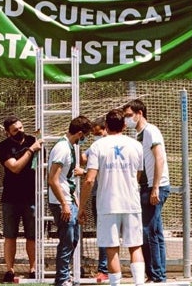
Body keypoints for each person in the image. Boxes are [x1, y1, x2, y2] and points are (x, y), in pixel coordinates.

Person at [77, 109, 146, 286]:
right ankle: (139, 283)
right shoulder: (136, 145)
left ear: (106, 126)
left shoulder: (98, 146)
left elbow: (89, 179)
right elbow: (137, 175)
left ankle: (115, 284)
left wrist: (82, 206)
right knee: (135, 246)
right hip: (131, 202)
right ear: (124, 125)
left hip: (108, 204)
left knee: (111, 248)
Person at [122, 99, 171, 283]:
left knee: (147, 231)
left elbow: (159, 159)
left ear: (139, 113)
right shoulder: (139, 135)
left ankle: (155, 275)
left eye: (129, 115)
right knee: (155, 231)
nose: (127, 120)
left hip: (155, 186)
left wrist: (156, 187)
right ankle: (158, 275)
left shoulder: (151, 131)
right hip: (147, 186)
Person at [0, 115, 43, 283]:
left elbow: (42, 165)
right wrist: (31, 150)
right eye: (15, 130)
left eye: (21, 127)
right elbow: (14, 167)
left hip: (31, 197)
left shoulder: (32, 139)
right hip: (11, 197)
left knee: (32, 236)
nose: (20, 131)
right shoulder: (3, 147)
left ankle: (33, 268)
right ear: (8, 133)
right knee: (10, 235)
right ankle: (9, 270)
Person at [48, 115, 92, 286]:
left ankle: (64, 276)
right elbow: (53, 179)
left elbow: (68, 180)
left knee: (72, 239)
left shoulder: (70, 148)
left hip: (68, 200)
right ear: (80, 133)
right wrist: (65, 204)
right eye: (84, 136)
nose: (84, 139)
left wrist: (77, 205)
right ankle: (61, 279)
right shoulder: (62, 148)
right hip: (61, 202)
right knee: (67, 240)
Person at [78, 116, 109, 282]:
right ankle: (105, 269)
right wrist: (79, 142)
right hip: (99, 196)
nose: (97, 136)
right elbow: (83, 159)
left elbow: (96, 172)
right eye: (94, 134)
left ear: (106, 129)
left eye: (99, 132)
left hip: (110, 195)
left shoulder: (110, 144)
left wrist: (84, 172)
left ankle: (106, 268)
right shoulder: (95, 146)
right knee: (103, 233)